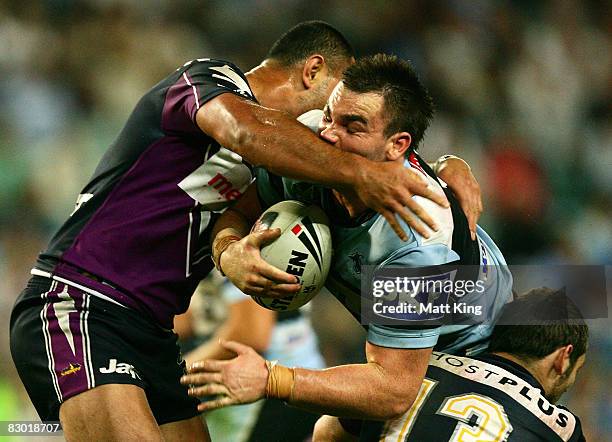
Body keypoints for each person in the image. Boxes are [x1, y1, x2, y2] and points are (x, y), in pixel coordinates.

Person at [9, 22, 473, 441]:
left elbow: (376, 153)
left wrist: (445, 167)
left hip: (150, 329)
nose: (329, 131)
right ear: (313, 72)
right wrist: (359, 174)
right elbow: (245, 131)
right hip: (81, 303)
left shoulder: (291, 163)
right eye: (334, 105)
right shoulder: (207, 82)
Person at [181, 54, 513, 436]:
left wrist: (271, 379)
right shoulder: (311, 144)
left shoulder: (414, 239)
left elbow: (393, 390)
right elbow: (240, 209)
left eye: (353, 126)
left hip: (474, 349)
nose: (328, 135)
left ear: (396, 145)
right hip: (404, 342)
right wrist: (229, 252)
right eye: (329, 115)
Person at [355, 287, 588, 441]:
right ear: (563, 357)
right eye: (577, 370)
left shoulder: (415, 371)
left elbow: (328, 432)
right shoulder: (561, 429)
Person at [175, 271, 324, 442]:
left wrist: (177, 374)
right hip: (293, 379)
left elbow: (251, 333)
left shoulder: (234, 246)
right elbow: (197, 317)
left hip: (267, 390)